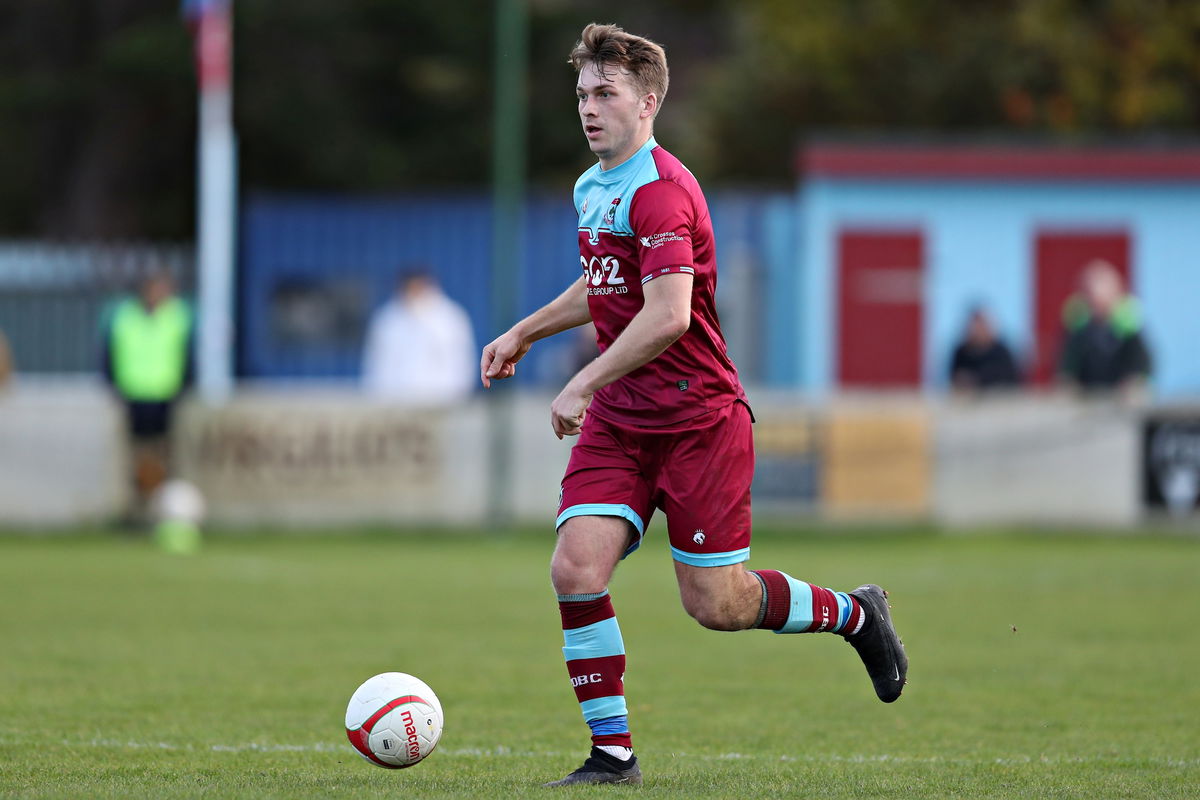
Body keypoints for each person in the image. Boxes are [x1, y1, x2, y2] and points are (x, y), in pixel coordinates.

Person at [480, 23, 907, 787]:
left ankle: (855, 613)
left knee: (717, 603)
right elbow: (609, 285)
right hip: (623, 421)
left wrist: (582, 380)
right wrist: (526, 333)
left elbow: (668, 312)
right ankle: (612, 757)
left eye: (605, 94)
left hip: (698, 420)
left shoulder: (662, 191)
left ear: (647, 103)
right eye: (582, 94)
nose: (588, 108)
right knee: (576, 570)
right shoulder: (592, 187)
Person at [101, 271, 195, 523]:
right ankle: (136, 512)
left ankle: (165, 512)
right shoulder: (124, 317)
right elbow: (109, 353)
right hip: (133, 396)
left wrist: (184, 386)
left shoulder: (177, 316)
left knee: (165, 457)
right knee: (136, 459)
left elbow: (187, 355)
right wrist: (113, 385)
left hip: (166, 397)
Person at [361, 269, 476, 403]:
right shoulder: (386, 319)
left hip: (440, 401)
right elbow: (375, 363)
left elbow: (461, 362)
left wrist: (456, 397)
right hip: (394, 402)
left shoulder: (450, 318)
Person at [1058, 260, 1152, 394]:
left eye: (1102, 300)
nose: (1097, 306)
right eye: (1091, 299)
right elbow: (1066, 364)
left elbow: (1142, 363)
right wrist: (1067, 382)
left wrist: (1135, 382)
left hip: (1120, 396)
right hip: (1085, 398)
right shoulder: (1077, 325)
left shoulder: (1127, 325)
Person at [948, 306, 1021, 392]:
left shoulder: (1001, 352)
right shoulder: (961, 353)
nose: (977, 330)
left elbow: (1009, 380)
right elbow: (955, 378)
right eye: (974, 326)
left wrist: (976, 380)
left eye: (981, 325)